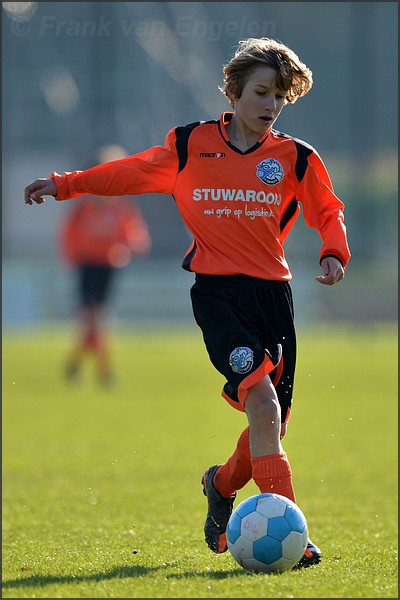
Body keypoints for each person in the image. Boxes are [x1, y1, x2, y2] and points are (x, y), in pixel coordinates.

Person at [24, 37, 350, 568]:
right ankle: (292, 531)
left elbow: (327, 209)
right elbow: (128, 171)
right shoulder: (191, 145)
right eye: (261, 93)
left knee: (270, 424)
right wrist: (66, 185)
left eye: (279, 98)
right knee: (263, 406)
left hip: (274, 297)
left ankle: (220, 486)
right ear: (233, 92)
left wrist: (335, 252)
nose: (270, 105)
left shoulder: (295, 158)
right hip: (218, 294)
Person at [59, 145, 152, 388]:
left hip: (108, 266)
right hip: (87, 265)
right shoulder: (84, 206)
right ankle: (104, 371)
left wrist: (135, 245)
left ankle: (78, 364)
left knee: (96, 320)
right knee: (94, 319)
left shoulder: (120, 207)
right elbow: (69, 234)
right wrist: (71, 257)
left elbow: (134, 232)